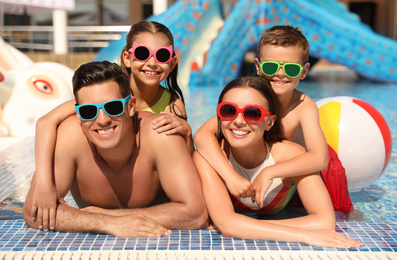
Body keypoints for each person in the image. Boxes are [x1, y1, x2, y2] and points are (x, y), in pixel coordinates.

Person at [30, 21, 195, 231]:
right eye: (143, 53)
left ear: (171, 63)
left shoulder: (173, 105)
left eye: (161, 56)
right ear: (127, 57)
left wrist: (188, 135)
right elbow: (45, 122)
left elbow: (185, 163)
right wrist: (45, 183)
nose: (152, 63)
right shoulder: (105, 95)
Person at [193, 25, 353, 212]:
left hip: (299, 171)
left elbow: (319, 158)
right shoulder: (249, 97)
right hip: (267, 172)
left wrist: (269, 172)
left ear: (304, 71)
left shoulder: (302, 105)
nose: (280, 74)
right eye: (271, 66)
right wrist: (230, 176)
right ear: (259, 67)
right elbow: (202, 136)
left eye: (291, 69)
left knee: (335, 217)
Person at [193, 75, 361, 247]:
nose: (238, 121)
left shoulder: (292, 156)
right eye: (228, 110)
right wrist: (303, 235)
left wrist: (245, 226)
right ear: (219, 116)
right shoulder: (208, 159)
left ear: (270, 122)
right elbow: (228, 226)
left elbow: (325, 222)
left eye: (252, 113)